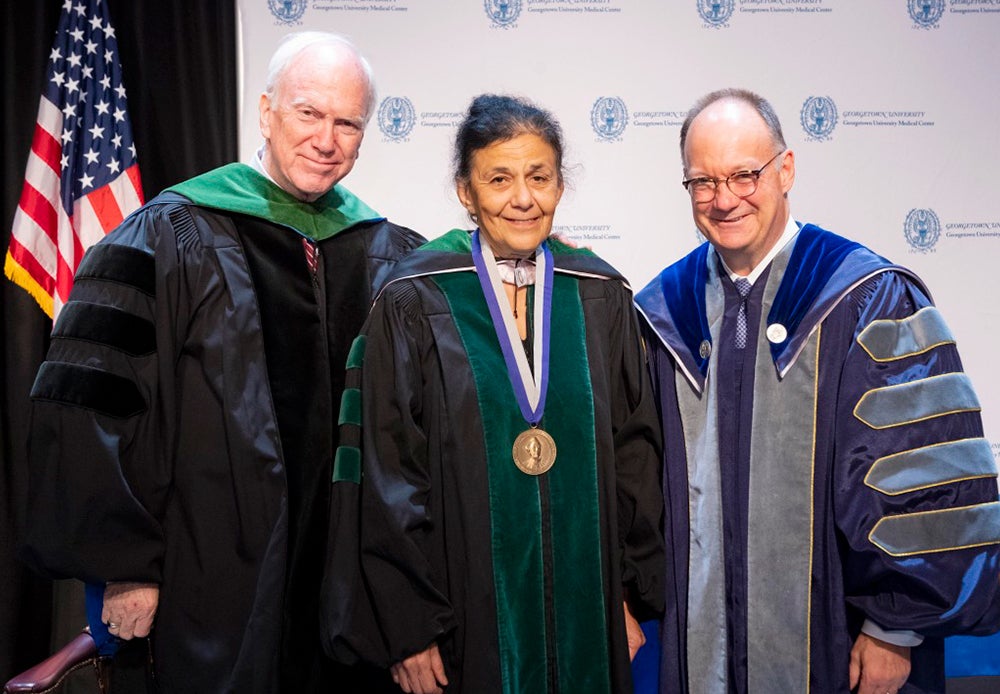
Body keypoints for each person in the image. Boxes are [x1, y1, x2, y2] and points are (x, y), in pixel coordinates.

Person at [20, 31, 424, 693]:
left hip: (348, 589)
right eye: (308, 113)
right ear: (265, 112)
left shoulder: (386, 252)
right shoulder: (172, 234)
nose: (326, 138)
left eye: (347, 122)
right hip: (208, 580)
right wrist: (127, 565)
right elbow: (96, 408)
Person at [634, 87, 1000, 694]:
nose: (724, 199)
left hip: (845, 646)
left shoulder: (868, 297)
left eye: (744, 175)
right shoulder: (663, 313)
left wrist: (893, 631)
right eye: (703, 181)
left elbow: (924, 470)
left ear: (786, 169)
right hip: (703, 650)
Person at [322, 94, 665, 693]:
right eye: (499, 179)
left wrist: (630, 596)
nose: (523, 198)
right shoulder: (414, 298)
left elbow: (634, 457)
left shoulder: (600, 293)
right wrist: (409, 626)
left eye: (540, 177)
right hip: (462, 619)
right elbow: (384, 473)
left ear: (561, 186)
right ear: (465, 190)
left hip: (589, 611)